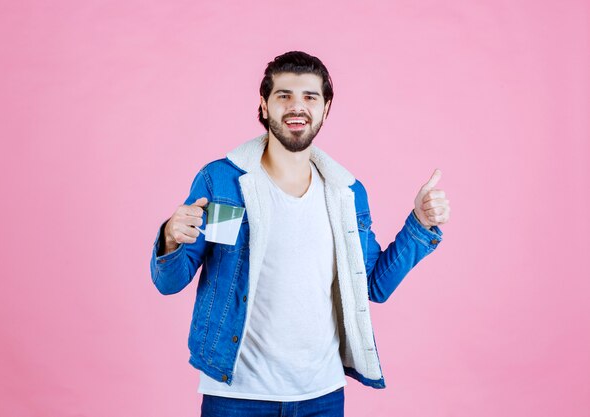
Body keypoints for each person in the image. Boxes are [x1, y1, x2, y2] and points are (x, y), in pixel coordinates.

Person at [150, 51, 451, 417]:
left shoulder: (346, 194)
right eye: (284, 95)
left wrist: (419, 224)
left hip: (321, 396)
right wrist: (170, 237)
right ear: (263, 105)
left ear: (326, 109)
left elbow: (374, 286)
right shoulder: (224, 182)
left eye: (310, 97)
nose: (298, 107)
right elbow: (171, 281)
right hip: (235, 396)